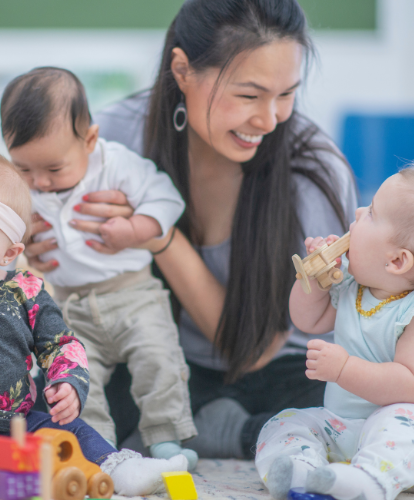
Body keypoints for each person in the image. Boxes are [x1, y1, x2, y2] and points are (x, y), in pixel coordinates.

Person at [23, 0, 357, 459]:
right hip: (161, 349)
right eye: (248, 95)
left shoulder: (313, 171)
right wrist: (47, 247)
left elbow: (253, 349)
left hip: (281, 366)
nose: (269, 119)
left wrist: (156, 233)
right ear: (182, 71)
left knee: (336, 416)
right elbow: (35, 211)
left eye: (286, 94)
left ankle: (221, 429)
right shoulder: (117, 140)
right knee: (58, 399)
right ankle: (213, 427)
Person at [0, 152, 189, 500]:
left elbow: (60, 343)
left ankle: (122, 469)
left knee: (71, 432)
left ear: (7, 253)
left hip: (20, 428)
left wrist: (67, 382)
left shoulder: (25, 290)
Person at [0, 67, 198, 469]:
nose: (39, 182)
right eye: (24, 168)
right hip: (70, 308)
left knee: (158, 359)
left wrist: (134, 229)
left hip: (133, 296)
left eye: (53, 170)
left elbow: (166, 199)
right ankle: (99, 448)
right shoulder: (23, 186)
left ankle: (165, 439)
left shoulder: (116, 165)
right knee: (73, 381)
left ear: (89, 140)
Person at [255, 168, 414, 500]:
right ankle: (300, 469)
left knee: (404, 426)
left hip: (390, 428)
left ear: (396, 261)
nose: (357, 213)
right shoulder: (353, 287)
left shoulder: (408, 312)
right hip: (339, 424)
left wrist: (344, 370)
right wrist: (313, 281)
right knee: (284, 423)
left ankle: (369, 481)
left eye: (370, 213)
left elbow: (407, 382)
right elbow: (308, 320)